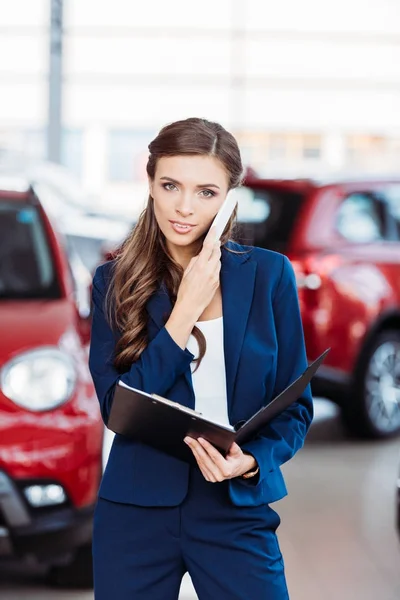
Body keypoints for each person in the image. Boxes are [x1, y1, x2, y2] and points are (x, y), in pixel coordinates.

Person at [88, 117, 313, 600]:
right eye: (171, 185)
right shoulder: (112, 283)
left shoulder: (270, 276)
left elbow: (295, 407)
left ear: (230, 196)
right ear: (150, 183)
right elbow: (117, 408)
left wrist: (252, 460)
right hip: (136, 512)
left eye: (206, 192)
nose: (184, 207)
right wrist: (183, 313)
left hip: (235, 508)